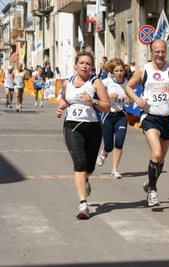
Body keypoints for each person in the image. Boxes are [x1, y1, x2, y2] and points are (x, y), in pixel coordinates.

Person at [124, 39, 169, 207]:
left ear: (166, 52)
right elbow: (128, 87)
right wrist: (137, 100)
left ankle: (150, 183)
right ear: (151, 52)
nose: (160, 55)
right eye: (157, 52)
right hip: (149, 116)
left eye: (162, 51)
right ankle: (153, 190)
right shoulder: (143, 70)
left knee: (161, 158)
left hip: (167, 117)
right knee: (156, 154)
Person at [56, 50, 110, 219]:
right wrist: (61, 107)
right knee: (79, 163)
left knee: (89, 167)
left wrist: (92, 100)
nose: (84, 66)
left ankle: (85, 180)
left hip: (93, 128)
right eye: (82, 63)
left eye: (88, 64)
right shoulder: (67, 82)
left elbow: (106, 106)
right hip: (72, 126)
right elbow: (65, 98)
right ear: (76, 64)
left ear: (92, 66)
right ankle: (83, 204)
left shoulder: (96, 83)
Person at [96, 58, 130, 179]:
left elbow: (130, 100)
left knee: (119, 143)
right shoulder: (106, 82)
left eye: (121, 70)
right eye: (116, 70)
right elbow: (95, 94)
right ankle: (104, 154)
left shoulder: (127, 84)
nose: (119, 73)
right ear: (112, 71)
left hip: (121, 115)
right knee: (109, 146)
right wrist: (107, 96)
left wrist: (129, 100)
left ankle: (114, 170)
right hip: (108, 115)